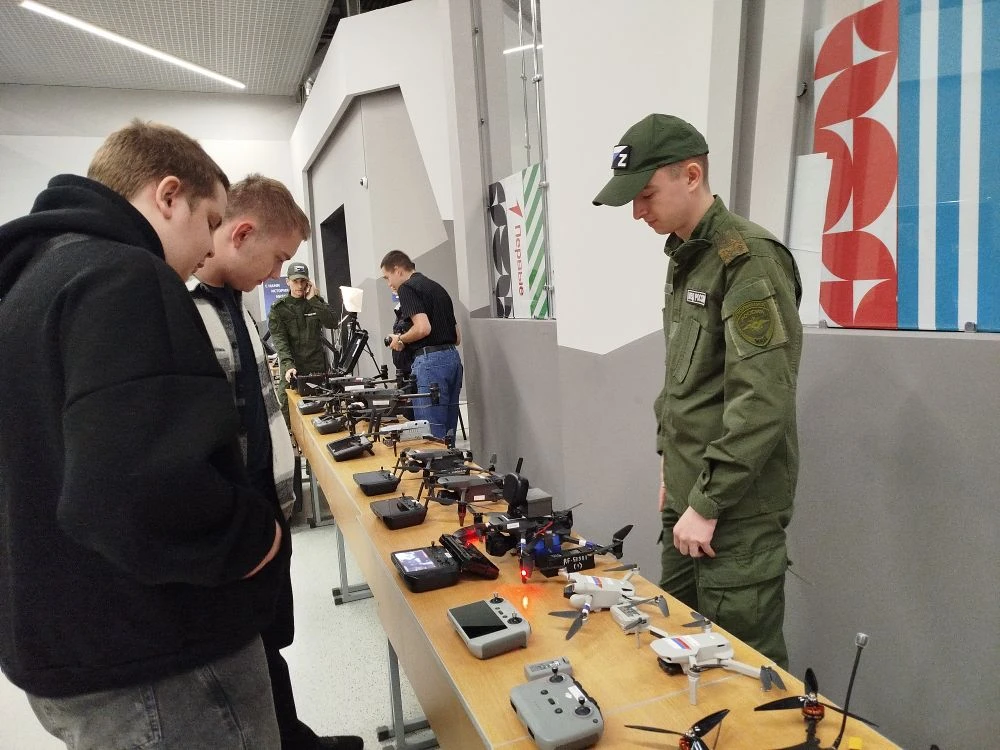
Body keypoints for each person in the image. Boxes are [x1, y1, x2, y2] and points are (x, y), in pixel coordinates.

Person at [0, 120, 286, 748]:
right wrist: (254, 536)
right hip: (159, 661)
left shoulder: (30, 283)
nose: (208, 249)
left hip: (69, 646)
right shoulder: (125, 276)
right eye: (210, 221)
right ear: (168, 196)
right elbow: (138, 487)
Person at [593, 113, 803, 667]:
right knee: (677, 650)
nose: (638, 212)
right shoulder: (688, 257)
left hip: (732, 514)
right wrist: (671, 466)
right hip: (690, 499)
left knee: (741, 666)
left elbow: (763, 399)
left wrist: (708, 502)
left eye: (645, 195)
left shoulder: (746, 258)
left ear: (691, 176)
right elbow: (685, 384)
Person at [189, 174, 363, 750]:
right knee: (246, 651)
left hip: (265, 510)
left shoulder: (236, 306)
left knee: (270, 642)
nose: (278, 274)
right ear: (242, 234)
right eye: (279, 258)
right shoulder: (186, 310)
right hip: (237, 527)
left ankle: (293, 736)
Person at [379, 250, 463, 440]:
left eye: (387, 277)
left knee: (430, 434)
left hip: (430, 364)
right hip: (453, 360)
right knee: (448, 434)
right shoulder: (438, 288)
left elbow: (423, 328)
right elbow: (457, 337)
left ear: (398, 270)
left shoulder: (407, 288)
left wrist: (400, 339)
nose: (389, 284)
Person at [269, 261, 338, 422]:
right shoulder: (279, 308)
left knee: (321, 415)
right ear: (288, 281)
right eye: (295, 281)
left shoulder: (316, 302)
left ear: (308, 282)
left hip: (317, 370)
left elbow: (332, 322)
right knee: (285, 412)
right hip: (293, 370)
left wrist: (313, 299)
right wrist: (288, 366)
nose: (299, 286)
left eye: (303, 281)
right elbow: (280, 341)